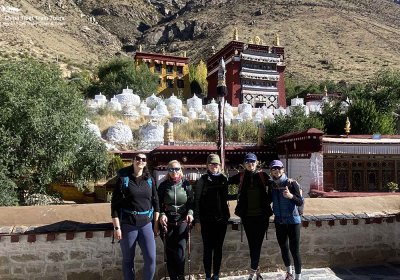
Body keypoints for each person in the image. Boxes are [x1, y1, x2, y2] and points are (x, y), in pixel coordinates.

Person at [111, 153, 160, 280]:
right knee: (128, 259)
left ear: (146, 162)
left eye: (143, 159)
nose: (140, 161)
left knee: (151, 258)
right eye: (138, 158)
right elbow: (114, 206)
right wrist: (117, 228)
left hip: (146, 224)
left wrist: (155, 224)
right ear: (133, 161)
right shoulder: (123, 179)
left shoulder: (150, 180)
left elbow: (156, 203)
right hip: (128, 225)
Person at [228, 153, 273, 280]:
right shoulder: (241, 176)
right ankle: (256, 272)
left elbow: (274, 184)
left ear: (257, 162)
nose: (250, 164)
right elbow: (226, 182)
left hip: (262, 217)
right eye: (247, 162)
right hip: (247, 217)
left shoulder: (263, 175)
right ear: (244, 164)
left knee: (257, 244)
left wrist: (290, 181)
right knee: (252, 244)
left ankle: (252, 273)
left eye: (252, 162)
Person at [194, 154, 230, 280]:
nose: (215, 166)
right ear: (207, 165)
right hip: (206, 221)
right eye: (212, 164)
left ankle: (216, 274)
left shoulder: (224, 179)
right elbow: (196, 201)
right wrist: (197, 220)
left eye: (217, 164)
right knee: (208, 249)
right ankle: (208, 275)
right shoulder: (202, 180)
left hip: (221, 221)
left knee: (218, 249)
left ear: (220, 165)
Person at [158, 160, 194, 280]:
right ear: (168, 171)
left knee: (180, 254)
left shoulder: (186, 185)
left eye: (177, 169)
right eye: (171, 169)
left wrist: (190, 213)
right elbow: (158, 204)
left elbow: (191, 203)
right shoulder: (163, 186)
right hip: (167, 223)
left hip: (182, 222)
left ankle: (181, 276)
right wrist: (162, 214)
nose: (174, 172)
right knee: (169, 253)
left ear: (181, 170)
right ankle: (173, 277)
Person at [269, 160, 303, 280]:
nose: (276, 170)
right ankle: (289, 273)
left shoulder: (291, 183)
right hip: (279, 221)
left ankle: (298, 277)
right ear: (271, 171)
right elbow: (267, 200)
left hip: (293, 221)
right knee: (283, 248)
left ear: (283, 169)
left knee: (295, 250)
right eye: (274, 169)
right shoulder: (272, 185)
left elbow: (300, 201)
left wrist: (291, 196)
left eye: (279, 168)